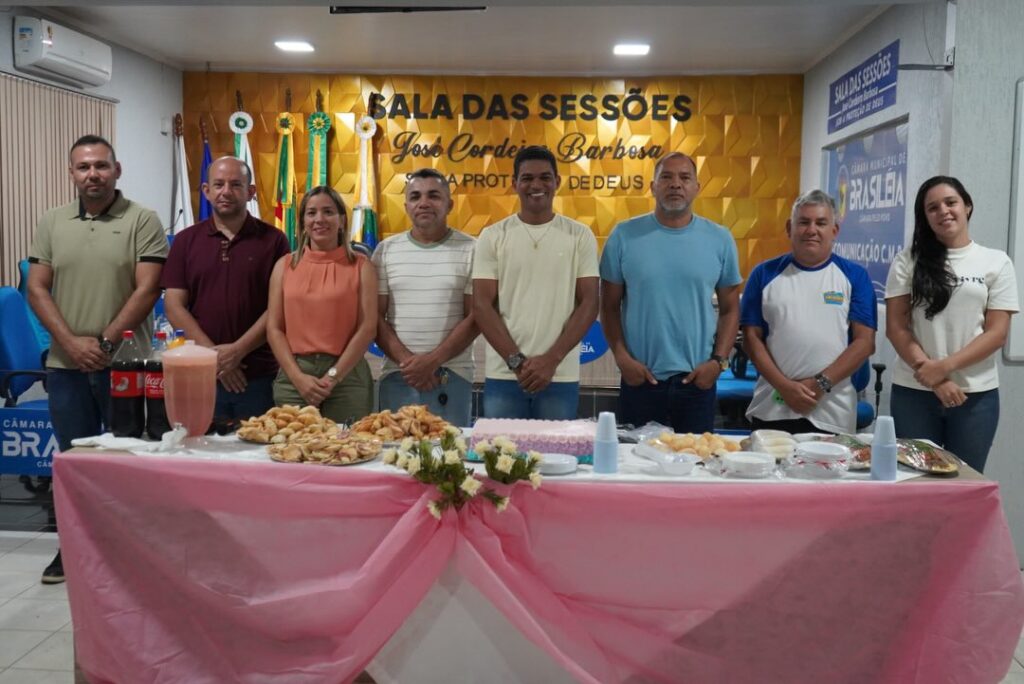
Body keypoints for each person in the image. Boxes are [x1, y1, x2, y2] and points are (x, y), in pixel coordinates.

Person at [27, 134, 168, 584]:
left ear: (117, 170)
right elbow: (36, 287)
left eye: (101, 165)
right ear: (71, 173)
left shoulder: (142, 219)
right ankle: (71, 549)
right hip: (65, 368)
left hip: (126, 367)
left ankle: (131, 554)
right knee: (74, 464)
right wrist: (71, 343)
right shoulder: (52, 221)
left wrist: (105, 345)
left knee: (130, 462)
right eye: (84, 167)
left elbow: (148, 289)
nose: (93, 174)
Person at [599, 152, 741, 433]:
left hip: (697, 381)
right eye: (666, 177)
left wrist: (718, 363)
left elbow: (730, 308)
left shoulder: (720, 239)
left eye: (684, 177)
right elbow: (609, 306)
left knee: (696, 460)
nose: (675, 184)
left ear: (697, 187)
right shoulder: (624, 236)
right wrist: (622, 359)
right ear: (653, 187)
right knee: (634, 460)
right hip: (641, 380)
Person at [885, 176, 1018, 473]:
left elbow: (997, 334)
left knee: (966, 481)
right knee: (914, 479)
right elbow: (897, 328)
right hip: (914, 391)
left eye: (950, 202)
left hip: (976, 395)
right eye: (932, 208)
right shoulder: (908, 261)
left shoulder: (996, 262)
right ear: (925, 217)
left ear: (967, 206)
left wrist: (943, 368)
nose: (943, 211)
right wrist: (935, 378)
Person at [472, 145, 599, 419]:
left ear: (557, 182)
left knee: (556, 448)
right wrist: (516, 362)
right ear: (514, 183)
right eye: (527, 178)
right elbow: (481, 305)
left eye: (545, 177)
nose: (536, 185)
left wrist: (551, 360)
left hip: (559, 374)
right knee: (502, 448)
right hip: (504, 375)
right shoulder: (492, 236)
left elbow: (589, 302)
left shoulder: (580, 235)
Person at [162, 157, 290, 422]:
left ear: (250, 192)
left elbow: (279, 307)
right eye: (218, 184)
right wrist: (214, 358)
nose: (226, 192)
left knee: (258, 447)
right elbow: (174, 305)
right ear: (206, 191)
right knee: (198, 445)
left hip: (258, 376)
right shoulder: (185, 241)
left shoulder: (274, 240)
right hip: (200, 373)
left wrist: (237, 351)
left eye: (235, 184)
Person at [740, 190, 877, 434]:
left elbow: (864, 343)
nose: (811, 230)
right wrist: (784, 387)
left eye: (821, 223)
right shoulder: (763, 274)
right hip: (772, 406)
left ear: (834, 230)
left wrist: (820, 384)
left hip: (832, 412)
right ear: (789, 228)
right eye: (803, 222)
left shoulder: (855, 276)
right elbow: (751, 339)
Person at [373, 168, 477, 425]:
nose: (424, 203)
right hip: (398, 375)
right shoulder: (386, 251)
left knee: (450, 449)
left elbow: (475, 318)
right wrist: (411, 364)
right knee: (394, 450)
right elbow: (374, 317)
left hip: (451, 376)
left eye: (434, 195)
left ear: (449, 204)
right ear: (406, 206)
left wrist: (432, 361)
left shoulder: (472, 249)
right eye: (415, 196)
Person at [266, 185, 377, 423]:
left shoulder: (362, 267)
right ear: (302, 222)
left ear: (342, 220)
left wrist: (332, 377)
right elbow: (274, 328)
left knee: (346, 445)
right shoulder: (284, 266)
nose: (319, 219)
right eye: (311, 213)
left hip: (347, 376)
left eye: (328, 212)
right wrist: (297, 377)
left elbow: (367, 328)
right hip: (294, 376)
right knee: (292, 444)